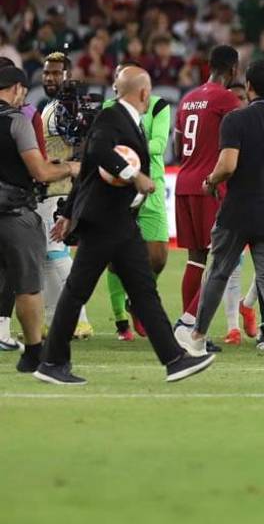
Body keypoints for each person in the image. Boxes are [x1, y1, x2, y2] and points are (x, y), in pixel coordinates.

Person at [37, 67, 214, 384]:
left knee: (141, 291)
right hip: (105, 220)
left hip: (117, 220)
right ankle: (52, 362)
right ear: (144, 93)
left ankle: (174, 359)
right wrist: (135, 175)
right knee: (80, 291)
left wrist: (67, 212)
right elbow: (99, 153)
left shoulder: (124, 119)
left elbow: (87, 169)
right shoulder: (112, 117)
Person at [179, 60, 264, 366]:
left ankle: (197, 337)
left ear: (249, 86)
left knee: (218, 271)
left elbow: (227, 165)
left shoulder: (236, 120)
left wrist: (210, 180)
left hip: (238, 212)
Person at [0, 65, 78, 373]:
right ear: (17, 88)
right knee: (27, 286)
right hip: (14, 215)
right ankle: (34, 353)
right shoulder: (17, 121)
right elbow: (41, 172)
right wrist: (70, 167)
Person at [172, 46, 248, 340]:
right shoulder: (226, 100)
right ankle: (188, 323)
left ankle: (188, 329)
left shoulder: (188, 99)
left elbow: (177, 147)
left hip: (184, 183)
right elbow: (241, 142)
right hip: (211, 187)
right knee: (222, 259)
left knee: (196, 258)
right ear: (233, 69)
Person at [101, 63, 173, 341]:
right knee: (114, 256)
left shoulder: (158, 106)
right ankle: (121, 318)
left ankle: (135, 301)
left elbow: (160, 144)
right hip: (118, 188)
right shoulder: (108, 108)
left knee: (158, 256)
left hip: (151, 186)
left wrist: (124, 148)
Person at [36, 54, 92, 338]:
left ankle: (79, 319)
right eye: (47, 73)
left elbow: (79, 143)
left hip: (59, 190)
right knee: (49, 255)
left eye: (57, 73)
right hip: (48, 189)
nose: (50, 77)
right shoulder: (52, 106)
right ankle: (52, 319)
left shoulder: (63, 108)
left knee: (55, 253)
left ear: (68, 75)